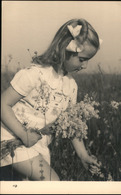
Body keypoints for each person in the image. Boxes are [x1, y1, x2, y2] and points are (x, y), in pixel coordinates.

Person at [1, 18, 101, 180]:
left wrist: (83, 155)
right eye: (82, 59)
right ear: (64, 49)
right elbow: (2, 104)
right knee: (52, 182)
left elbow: (72, 125)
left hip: (38, 146)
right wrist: (23, 134)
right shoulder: (34, 74)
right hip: (13, 139)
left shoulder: (71, 86)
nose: (85, 66)